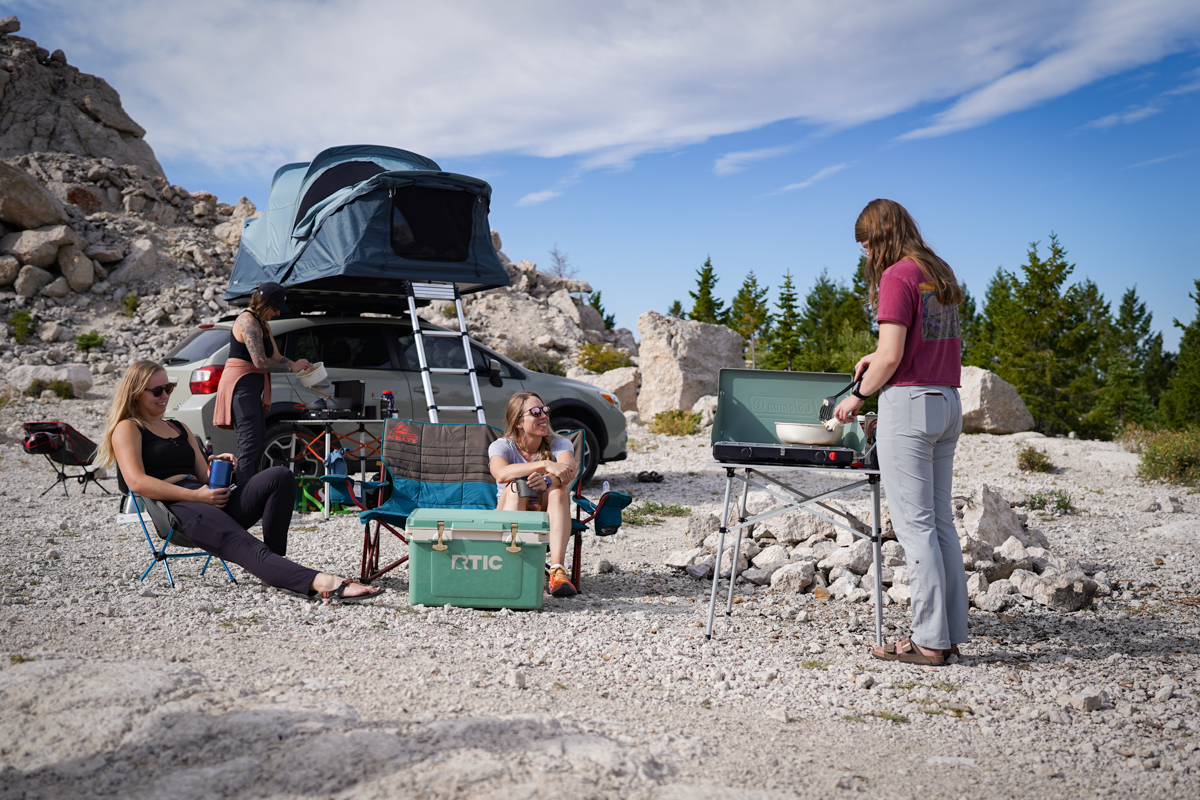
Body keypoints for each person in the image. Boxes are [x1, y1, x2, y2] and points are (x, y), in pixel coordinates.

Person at [99, 360, 380, 603]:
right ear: (136, 394)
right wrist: (199, 497)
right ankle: (325, 583)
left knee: (280, 476)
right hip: (179, 510)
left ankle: (274, 566)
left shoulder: (178, 427)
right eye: (157, 391)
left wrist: (219, 467)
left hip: (206, 496)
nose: (165, 395)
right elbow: (136, 482)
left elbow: (203, 477)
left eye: (168, 388)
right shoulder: (128, 428)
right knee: (247, 545)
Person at [833, 198, 966, 666]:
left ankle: (927, 641)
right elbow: (908, 344)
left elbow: (892, 358)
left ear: (882, 237)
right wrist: (877, 355)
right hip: (947, 401)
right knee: (940, 522)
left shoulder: (896, 275)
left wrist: (856, 397)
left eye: (867, 243)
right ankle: (948, 635)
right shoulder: (937, 271)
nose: (867, 255)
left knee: (915, 528)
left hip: (909, 406)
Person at [214, 281, 311, 486]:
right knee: (249, 444)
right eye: (275, 308)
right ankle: (243, 497)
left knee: (257, 443)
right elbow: (260, 361)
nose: (277, 313)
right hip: (241, 386)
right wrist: (291, 369)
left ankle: (249, 492)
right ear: (263, 303)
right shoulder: (247, 321)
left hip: (252, 388)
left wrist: (297, 364)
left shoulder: (261, 322)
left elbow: (275, 356)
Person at [489, 392, 578, 597]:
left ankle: (557, 571)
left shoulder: (559, 444)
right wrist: (545, 464)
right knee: (516, 487)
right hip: (509, 510)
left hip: (544, 509)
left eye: (545, 410)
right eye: (535, 412)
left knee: (559, 490)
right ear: (518, 422)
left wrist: (546, 481)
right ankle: (512, 566)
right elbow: (501, 474)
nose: (543, 416)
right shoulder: (502, 446)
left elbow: (568, 471)